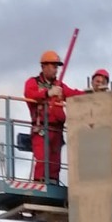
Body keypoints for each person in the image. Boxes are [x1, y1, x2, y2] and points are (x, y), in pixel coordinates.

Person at [23, 49, 83, 183]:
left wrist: (91, 94)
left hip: (57, 129)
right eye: (53, 66)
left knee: (55, 161)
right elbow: (29, 93)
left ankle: (53, 182)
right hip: (41, 128)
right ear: (43, 66)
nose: (56, 70)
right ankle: (39, 182)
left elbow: (73, 94)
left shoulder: (59, 86)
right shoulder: (33, 82)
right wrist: (47, 93)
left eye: (56, 67)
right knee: (42, 158)